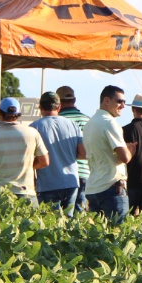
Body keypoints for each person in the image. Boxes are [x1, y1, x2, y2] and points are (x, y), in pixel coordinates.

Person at [0, 98, 49, 204]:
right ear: (18, 114)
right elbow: (44, 161)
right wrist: (26, 166)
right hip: (25, 191)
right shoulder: (32, 133)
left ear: (0, 113)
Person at [29, 91, 86, 215]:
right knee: (68, 222)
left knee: (50, 225)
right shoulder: (72, 125)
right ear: (59, 107)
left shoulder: (33, 127)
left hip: (47, 183)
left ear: (40, 107)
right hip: (71, 182)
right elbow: (83, 153)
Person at [82, 85, 133, 222]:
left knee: (96, 238)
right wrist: (130, 150)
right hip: (111, 187)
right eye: (119, 101)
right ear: (106, 101)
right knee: (119, 236)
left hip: (93, 187)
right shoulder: (110, 123)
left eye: (124, 102)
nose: (123, 105)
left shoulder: (90, 123)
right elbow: (125, 157)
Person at [57, 86, 91, 214]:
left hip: (60, 172)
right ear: (74, 99)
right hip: (83, 172)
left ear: (58, 102)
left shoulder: (56, 121)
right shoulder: (86, 120)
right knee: (79, 213)